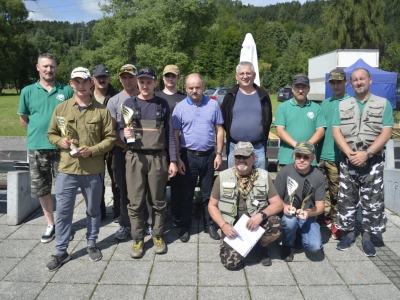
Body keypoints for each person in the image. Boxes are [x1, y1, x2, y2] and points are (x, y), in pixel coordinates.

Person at [46, 67, 116, 271]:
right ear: (71, 84)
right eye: (77, 81)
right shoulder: (61, 109)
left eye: (85, 81)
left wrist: (92, 150)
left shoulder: (102, 110)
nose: (81, 85)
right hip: (67, 169)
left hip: (93, 169)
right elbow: (51, 133)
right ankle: (61, 250)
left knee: (93, 211)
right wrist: (62, 142)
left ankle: (92, 243)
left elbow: (111, 139)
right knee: (64, 212)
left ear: (91, 83)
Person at [332, 68, 393, 257]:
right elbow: (336, 131)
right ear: (350, 83)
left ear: (370, 80)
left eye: (362, 79)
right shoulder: (343, 105)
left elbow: (386, 131)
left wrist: (367, 153)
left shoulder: (383, 104)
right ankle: (349, 234)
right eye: (355, 80)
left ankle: (368, 236)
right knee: (346, 200)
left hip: (372, 160)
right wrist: (350, 153)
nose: (359, 82)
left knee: (373, 201)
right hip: (348, 159)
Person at [121, 67, 178, 258]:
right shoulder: (129, 103)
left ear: (155, 83)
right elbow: (122, 129)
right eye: (142, 82)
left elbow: (170, 134)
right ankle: (137, 238)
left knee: (158, 201)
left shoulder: (162, 104)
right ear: (138, 82)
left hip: (158, 158)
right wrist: (124, 134)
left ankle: (158, 234)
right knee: (135, 201)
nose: (145, 85)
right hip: (135, 158)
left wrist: (173, 160)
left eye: (149, 82)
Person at [17, 53, 74, 243]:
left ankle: (65, 224)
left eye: (52, 66)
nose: (49, 70)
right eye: (45, 66)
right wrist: (38, 133)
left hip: (62, 148)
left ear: (57, 68)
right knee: (42, 189)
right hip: (37, 148)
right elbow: (24, 119)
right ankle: (51, 224)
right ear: (38, 68)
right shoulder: (27, 91)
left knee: (65, 188)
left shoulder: (66, 90)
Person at [208, 142, 283, 270]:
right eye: (238, 157)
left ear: (254, 158)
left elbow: (278, 204)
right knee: (231, 264)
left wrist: (261, 215)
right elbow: (212, 206)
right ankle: (246, 246)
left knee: (276, 223)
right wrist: (223, 226)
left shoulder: (263, 176)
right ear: (233, 158)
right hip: (232, 227)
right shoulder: (223, 177)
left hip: (256, 223)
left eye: (245, 157)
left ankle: (260, 246)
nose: (241, 160)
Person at [172, 73, 224, 242]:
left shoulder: (213, 105)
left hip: (209, 155)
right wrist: (178, 158)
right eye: (190, 88)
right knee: (186, 194)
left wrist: (218, 154)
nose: (194, 91)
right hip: (188, 156)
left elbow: (219, 130)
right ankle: (185, 227)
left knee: (208, 194)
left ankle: (209, 224)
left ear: (203, 87)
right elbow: (176, 134)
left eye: (197, 87)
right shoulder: (179, 107)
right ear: (185, 88)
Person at [274, 141, 325, 262]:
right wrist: (285, 206)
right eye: (298, 156)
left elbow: (320, 206)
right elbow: (275, 197)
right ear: (294, 156)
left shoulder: (318, 175)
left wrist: (308, 213)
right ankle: (287, 246)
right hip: (288, 214)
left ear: (312, 159)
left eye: (306, 157)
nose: (302, 160)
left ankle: (298, 236)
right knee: (290, 221)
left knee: (315, 247)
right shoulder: (285, 171)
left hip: (307, 216)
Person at [316, 68, 350, 239]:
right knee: (323, 190)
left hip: (338, 156)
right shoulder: (325, 103)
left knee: (339, 192)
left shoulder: (350, 102)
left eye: (339, 82)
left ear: (346, 82)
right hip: (320, 154)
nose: (336, 85)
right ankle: (325, 217)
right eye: (333, 82)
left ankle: (338, 223)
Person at [107, 64, 139, 240]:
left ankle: (145, 223)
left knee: (144, 189)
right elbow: (110, 130)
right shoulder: (114, 101)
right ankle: (126, 224)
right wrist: (123, 145)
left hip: (144, 151)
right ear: (120, 79)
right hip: (122, 150)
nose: (127, 81)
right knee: (123, 188)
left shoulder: (145, 97)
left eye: (130, 77)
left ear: (136, 78)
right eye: (124, 77)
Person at [221, 61, 273, 170]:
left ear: (254, 75)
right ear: (237, 76)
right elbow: (224, 119)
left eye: (248, 73)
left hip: (257, 148)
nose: (245, 76)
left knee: (259, 184)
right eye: (242, 74)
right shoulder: (230, 96)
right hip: (234, 148)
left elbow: (267, 119)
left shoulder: (263, 96)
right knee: (233, 184)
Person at [155, 65, 186, 227]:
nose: (170, 79)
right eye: (167, 76)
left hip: (178, 146)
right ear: (163, 78)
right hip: (159, 146)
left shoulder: (183, 97)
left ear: (178, 78)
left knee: (177, 183)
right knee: (158, 182)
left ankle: (177, 213)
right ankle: (159, 213)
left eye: (173, 76)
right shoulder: (156, 96)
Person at [275, 74, 326, 170]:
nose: (300, 90)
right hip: (287, 159)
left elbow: (320, 131)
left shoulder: (317, 108)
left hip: (309, 159)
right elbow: (280, 131)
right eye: (297, 87)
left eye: (303, 87)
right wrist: (298, 147)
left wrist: (306, 147)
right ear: (292, 89)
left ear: (308, 89)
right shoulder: (283, 107)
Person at [91, 64, 120, 220]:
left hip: (112, 144)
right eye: (99, 77)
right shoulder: (86, 96)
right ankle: (99, 211)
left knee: (116, 179)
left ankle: (118, 210)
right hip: (93, 145)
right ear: (93, 79)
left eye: (105, 77)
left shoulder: (116, 95)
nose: (102, 79)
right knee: (96, 181)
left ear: (109, 78)